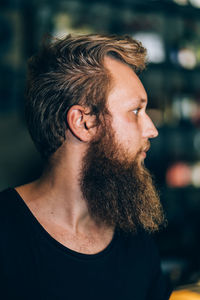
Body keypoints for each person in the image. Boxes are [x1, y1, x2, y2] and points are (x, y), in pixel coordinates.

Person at [0, 34, 171, 299]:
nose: (152, 130)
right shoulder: (6, 235)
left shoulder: (136, 241)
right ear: (84, 123)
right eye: (136, 111)